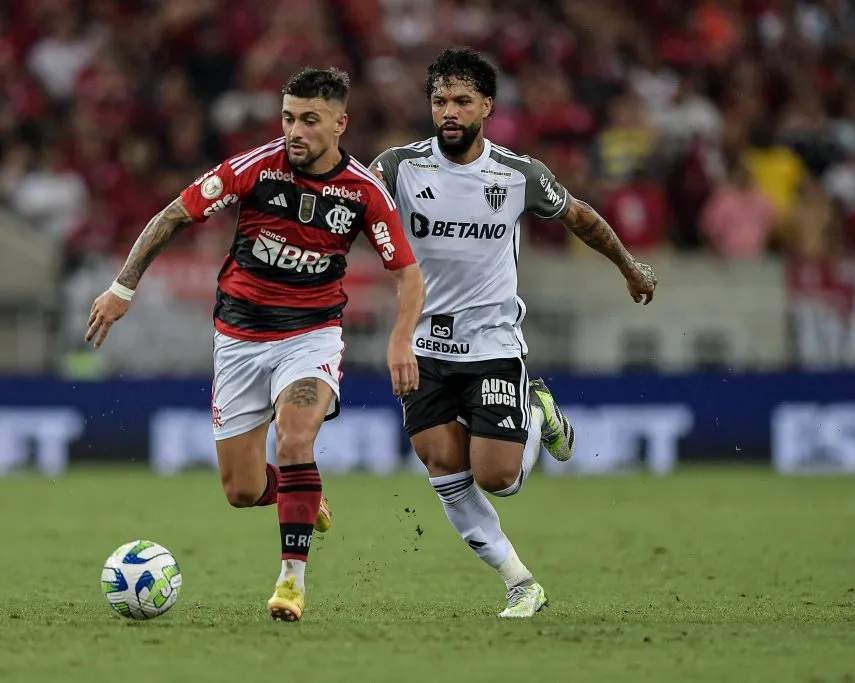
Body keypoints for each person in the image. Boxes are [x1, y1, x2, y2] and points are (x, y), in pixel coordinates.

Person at [85, 67, 425, 622]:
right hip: (239, 338)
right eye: (288, 117)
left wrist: (401, 339)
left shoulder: (363, 191)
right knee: (241, 490)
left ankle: (291, 580)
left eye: (310, 120)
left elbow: (408, 276)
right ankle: (302, 499)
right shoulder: (254, 169)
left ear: (340, 124)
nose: (295, 130)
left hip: (310, 337)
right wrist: (123, 288)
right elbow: (174, 215)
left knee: (294, 440)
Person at [371, 48, 657, 618]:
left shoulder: (518, 173)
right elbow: (350, 201)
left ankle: (536, 407)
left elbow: (581, 217)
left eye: (460, 101)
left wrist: (629, 266)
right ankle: (519, 581)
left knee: (498, 477)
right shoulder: (399, 167)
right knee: (442, 465)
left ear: (486, 107)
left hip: (493, 343)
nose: (448, 111)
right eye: (439, 101)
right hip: (424, 346)